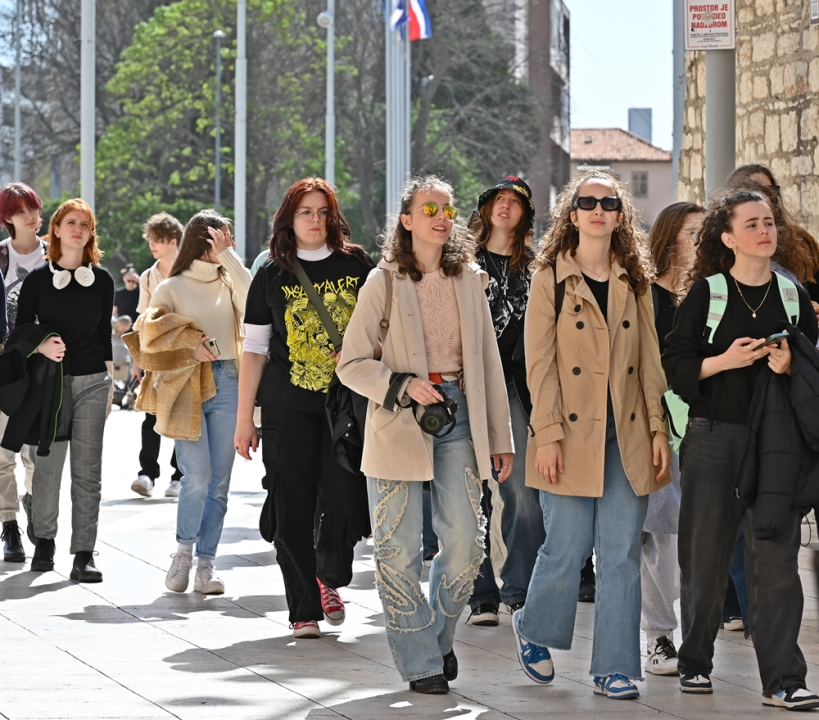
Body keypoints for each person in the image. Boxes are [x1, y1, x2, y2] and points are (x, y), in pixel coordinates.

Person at [336, 175, 514, 694]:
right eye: (428, 207)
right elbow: (350, 364)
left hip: (460, 415)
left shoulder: (470, 280)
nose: (441, 216)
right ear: (407, 220)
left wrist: (499, 437)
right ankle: (420, 663)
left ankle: (434, 638)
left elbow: (488, 365)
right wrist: (401, 384)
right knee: (397, 549)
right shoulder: (383, 281)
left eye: (447, 209)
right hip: (397, 419)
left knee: (465, 546)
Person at [512, 170, 671, 700]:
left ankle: (614, 667)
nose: (599, 209)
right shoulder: (549, 278)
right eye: (588, 201)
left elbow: (651, 360)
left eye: (609, 202)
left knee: (621, 550)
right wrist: (549, 434)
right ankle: (533, 628)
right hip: (569, 434)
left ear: (620, 215)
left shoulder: (635, 280)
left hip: (625, 435)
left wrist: (656, 427)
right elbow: (540, 365)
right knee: (567, 546)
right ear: (572, 214)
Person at [663, 189, 819, 708]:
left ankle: (784, 680)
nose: (764, 230)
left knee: (775, 558)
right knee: (704, 557)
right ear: (728, 237)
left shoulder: (794, 296)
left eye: (769, 222)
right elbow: (674, 365)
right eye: (751, 223)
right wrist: (724, 361)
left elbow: (812, 371)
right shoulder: (708, 293)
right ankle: (695, 663)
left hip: (777, 445)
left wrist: (790, 366)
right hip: (713, 437)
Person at [235, 178, 373, 639]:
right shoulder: (271, 273)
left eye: (322, 212)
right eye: (305, 212)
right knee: (291, 506)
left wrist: (360, 351)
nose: (315, 221)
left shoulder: (357, 266)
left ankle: (328, 574)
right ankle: (303, 607)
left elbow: (386, 330)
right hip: (285, 407)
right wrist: (244, 420)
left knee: (345, 499)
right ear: (288, 220)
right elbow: (254, 350)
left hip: (347, 408)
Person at [137, 210, 251, 595]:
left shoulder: (229, 281)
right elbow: (148, 332)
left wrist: (230, 260)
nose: (227, 244)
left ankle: (207, 563)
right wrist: (189, 343)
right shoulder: (170, 287)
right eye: (221, 238)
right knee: (197, 476)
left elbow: (255, 305)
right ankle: (183, 552)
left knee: (219, 482)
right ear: (202, 240)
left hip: (229, 380)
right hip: (186, 383)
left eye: (229, 239)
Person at [15, 198, 114, 581]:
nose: (78, 230)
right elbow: (20, 331)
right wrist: (41, 344)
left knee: (88, 472)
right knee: (47, 466)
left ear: (90, 234)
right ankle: (44, 542)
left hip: (92, 381)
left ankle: (84, 553)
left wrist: (109, 385)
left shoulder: (101, 280)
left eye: (85, 225)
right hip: (50, 386)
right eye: (70, 223)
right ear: (55, 229)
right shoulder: (38, 279)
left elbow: (105, 336)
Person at [465, 176, 543, 626]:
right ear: (486, 208)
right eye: (499, 199)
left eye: (515, 201)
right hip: (468, 382)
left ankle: (518, 589)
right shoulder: (460, 263)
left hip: (518, 385)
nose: (506, 206)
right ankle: (481, 596)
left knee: (524, 496)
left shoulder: (540, 266)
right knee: (469, 492)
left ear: (525, 214)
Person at [641, 201, 703, 675]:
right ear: (669, 238)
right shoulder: (646, 296)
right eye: (692, 231)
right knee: (660, 533)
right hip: (658, 425)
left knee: (686, 536)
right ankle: (658, 636)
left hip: (703, 426)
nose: (701, 240)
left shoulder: (708, 295)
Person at [0, 182, 46, 560]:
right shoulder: (0, 259)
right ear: (7, 219)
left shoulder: (56, 257)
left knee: (36, 453)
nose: (29, 216)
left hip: (45, 368)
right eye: (19, 211)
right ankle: (9, 527)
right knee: (3, 454)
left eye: (32, 208)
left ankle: (31, 504)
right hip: (6, 367)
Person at [130, 212, 184, 498]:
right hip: (155, 355)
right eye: (150, 238)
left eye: (158, 239)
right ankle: (147, 473)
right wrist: (138, 360)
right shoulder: (148, 276)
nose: (152, 244)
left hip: (186, 355)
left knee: (183, 416)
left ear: (173, 241)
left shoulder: (189, 272)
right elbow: (143, 319)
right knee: (150, 416)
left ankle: (179, 475)